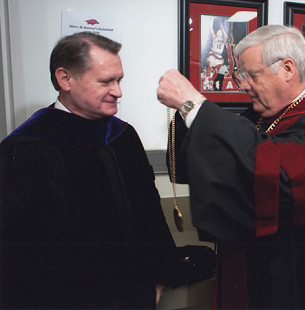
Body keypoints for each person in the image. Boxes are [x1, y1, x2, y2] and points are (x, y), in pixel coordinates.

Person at [157, 25, 305, 309]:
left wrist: (196, 106)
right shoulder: (257, 116)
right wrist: (189, 114)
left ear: (287, 69)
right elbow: (207, 165)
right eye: (240, 74)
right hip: (244, 265)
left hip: (290, 277)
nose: (242, 84)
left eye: (251, 74)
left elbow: (284, 185)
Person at [0, 32, 180, 309]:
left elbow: (149, 211)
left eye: (119, 80)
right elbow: (29, 249)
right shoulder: (29, 148)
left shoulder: (122, 135)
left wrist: (157, 276)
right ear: (65, 79)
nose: (118, 91)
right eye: (106, 81)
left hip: (138, 293)